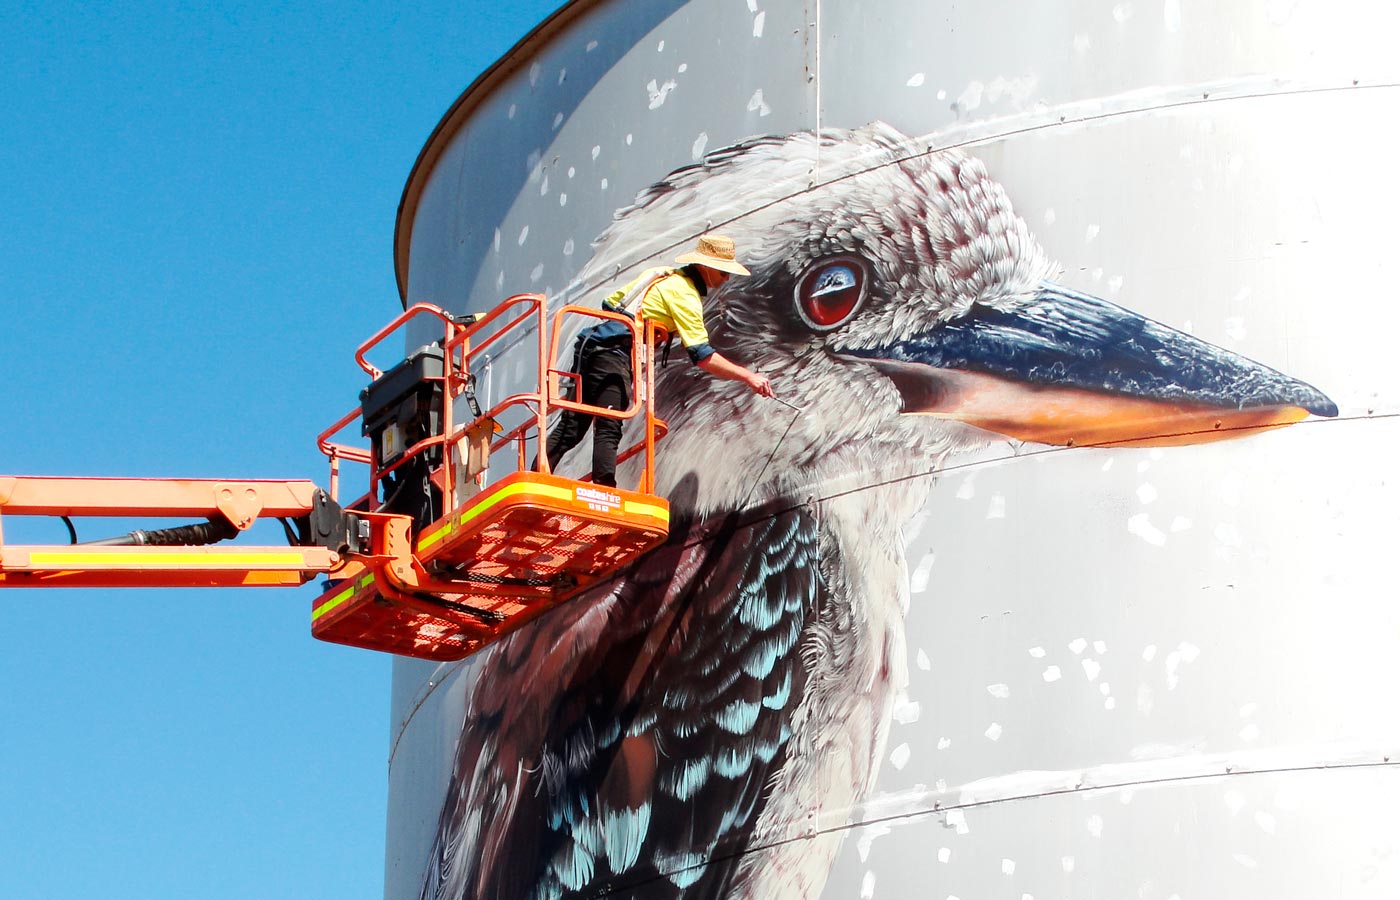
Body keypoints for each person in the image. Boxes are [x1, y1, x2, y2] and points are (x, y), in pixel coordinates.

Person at [543, 234, 774, 487]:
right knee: (609, 423)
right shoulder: (684, 294)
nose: (726, 279)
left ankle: (537, 478)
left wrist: (651, 327)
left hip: (593, 348)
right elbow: (702, 355)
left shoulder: (660, 274)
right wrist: (748, 376)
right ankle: (605, 490)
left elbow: (610, 304)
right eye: (723, 272)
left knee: (572, 426)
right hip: (613, 354)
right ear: (706, 267)